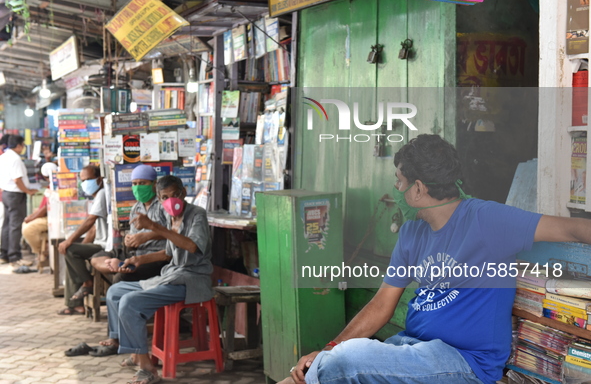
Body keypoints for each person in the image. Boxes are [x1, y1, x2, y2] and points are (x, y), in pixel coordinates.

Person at [282, 134, 591, 384]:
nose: (395, 187)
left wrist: (331, 358)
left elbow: (574, 229)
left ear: (419, 188)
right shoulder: (411, 233)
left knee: (345, 363)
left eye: (399, 180)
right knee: (338, 358)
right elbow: (380, 305)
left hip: (465, 362)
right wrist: (328, 348)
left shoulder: (485, 220)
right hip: (411, 349)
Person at [104, 175, 212, 384]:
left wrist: (155, 227)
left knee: (130, 302)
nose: (171, 200)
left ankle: (147, 367)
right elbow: (169, 254)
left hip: (192, 279)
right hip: (172, 274)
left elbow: (191, 246)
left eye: (175, 195)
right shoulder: (171, 216)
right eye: (164, 197)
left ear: (183, 192)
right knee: (115, 292)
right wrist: (138, 259)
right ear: (160, 199)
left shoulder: (196, 214)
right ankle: (136, 352)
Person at [63, 164, 170, 358]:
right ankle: (119, 265)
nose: (138, 187)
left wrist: (146, 237)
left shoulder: (164, 205)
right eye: (135, 183)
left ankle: (116, 337)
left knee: (119, 280)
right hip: (135, 252)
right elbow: (134, 236)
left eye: (143, 183)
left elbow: (174, 234)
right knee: (97, 257)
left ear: (153, 184)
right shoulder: (136, 207)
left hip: (155, 257)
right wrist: (131, 240)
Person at [58, 165, 108, 315]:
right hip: (98, 243)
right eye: (83, 180)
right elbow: (93, 229)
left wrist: (70, 241)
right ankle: (74, 304)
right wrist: (81, 247)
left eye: (88, 179)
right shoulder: (97, 197)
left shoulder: (103, 193)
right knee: (71, 254)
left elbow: (90, 221)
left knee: (70, 249)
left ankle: (87, 283)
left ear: (99, 179)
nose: (85, 183)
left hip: (105, 246)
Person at [0, 135, 38, 266]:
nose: (23, 148)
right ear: (19, 145)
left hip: (6, 193)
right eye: (23, 145)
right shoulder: (15, 159)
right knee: (15, 226)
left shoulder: (3, 157)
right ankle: (15, 257)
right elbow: (17, 180)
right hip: (15, 195)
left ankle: (4, 254)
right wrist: (28, 191)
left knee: (7, 224)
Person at [21, 162, 57, 265]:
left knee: (28, 229)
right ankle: (42, 250)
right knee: (25, 225)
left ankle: (42, 251)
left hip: (49, 217)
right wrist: (32, 216)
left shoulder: (54, 186)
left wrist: (32, 218)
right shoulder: (50, 186)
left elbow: (45, 209)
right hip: (45, 215)